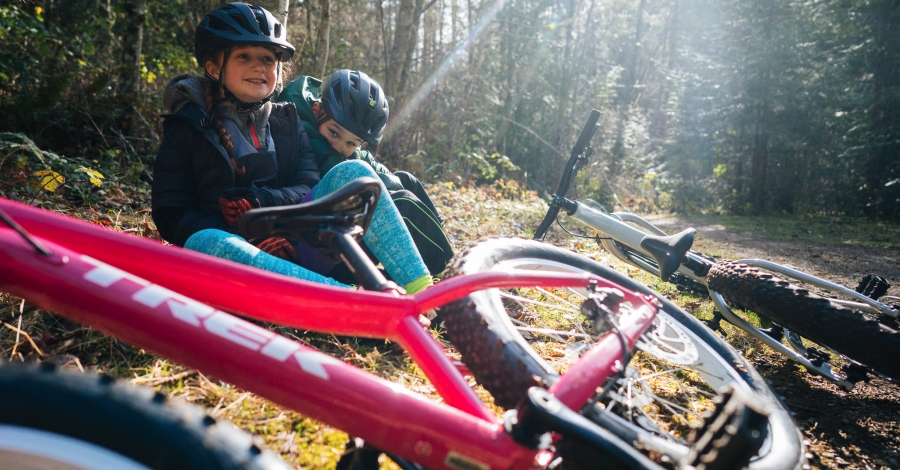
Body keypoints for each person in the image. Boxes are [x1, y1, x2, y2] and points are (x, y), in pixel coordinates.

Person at [151, 3, 432, 295]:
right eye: (244, 56)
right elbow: (172, 213)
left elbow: (308, 184)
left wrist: (265, 211)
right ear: (213, 68)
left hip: (295, 243)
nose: (259, 67)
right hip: (234, 257)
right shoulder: (188, 126)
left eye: (268, 59)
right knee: (205, 240)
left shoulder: (287, 119)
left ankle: (423, 291)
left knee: (356, 172)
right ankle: (348, 299)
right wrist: (247, 235)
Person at [279, 70, 454, 278]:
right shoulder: (306, 133)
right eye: (334, 132)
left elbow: (378, 171)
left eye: (351, 143)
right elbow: (356, 175)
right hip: (321, 247)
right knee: (403, 205)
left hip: (340, 234)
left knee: (407, 180)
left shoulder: (337, 143)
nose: (338, 146)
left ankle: (445, 255)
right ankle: (450, 273)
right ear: (316, 110)